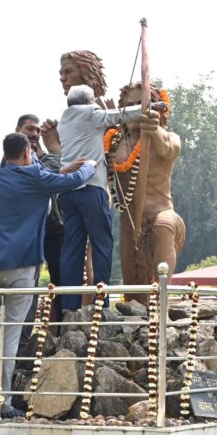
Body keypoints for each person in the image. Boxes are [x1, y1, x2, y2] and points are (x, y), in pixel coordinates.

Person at [0, 132, 96, 418]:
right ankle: (3, 403)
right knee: (9, 337)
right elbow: (73, 182)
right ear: (26, 153)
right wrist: (89, 165)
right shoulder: (35, 178)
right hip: (23, 269)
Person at [56, 84, 148, 312]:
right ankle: (101, 304)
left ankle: (69, 307)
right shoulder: (91, 114)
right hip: (91, 189)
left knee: (72, 249)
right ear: (89, 101)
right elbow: (124, 115)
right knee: (102, 245)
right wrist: (153, 105)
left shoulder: (64, 120)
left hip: (68, 192)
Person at [106, 82, 185, 304]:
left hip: (163, 217)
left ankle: (162, 298)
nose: (134, 110)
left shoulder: (167, 137)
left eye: (140, 104)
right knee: (134, 293)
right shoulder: (114, 143)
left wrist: (153, 129)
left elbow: (169, 149)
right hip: (130, 223)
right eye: (128, 105)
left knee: (163, 224)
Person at [1, 114, 67, 334]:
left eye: (38, 130)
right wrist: (56, 152)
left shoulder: (44, 157)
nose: (35, 134)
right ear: (17, 130)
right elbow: (46, 178)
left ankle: (61, 333)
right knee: (27, 284)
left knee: (60, 282)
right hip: (27, 232)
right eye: (30, 129)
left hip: (53, 229)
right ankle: (23, 341)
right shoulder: (10, 161)